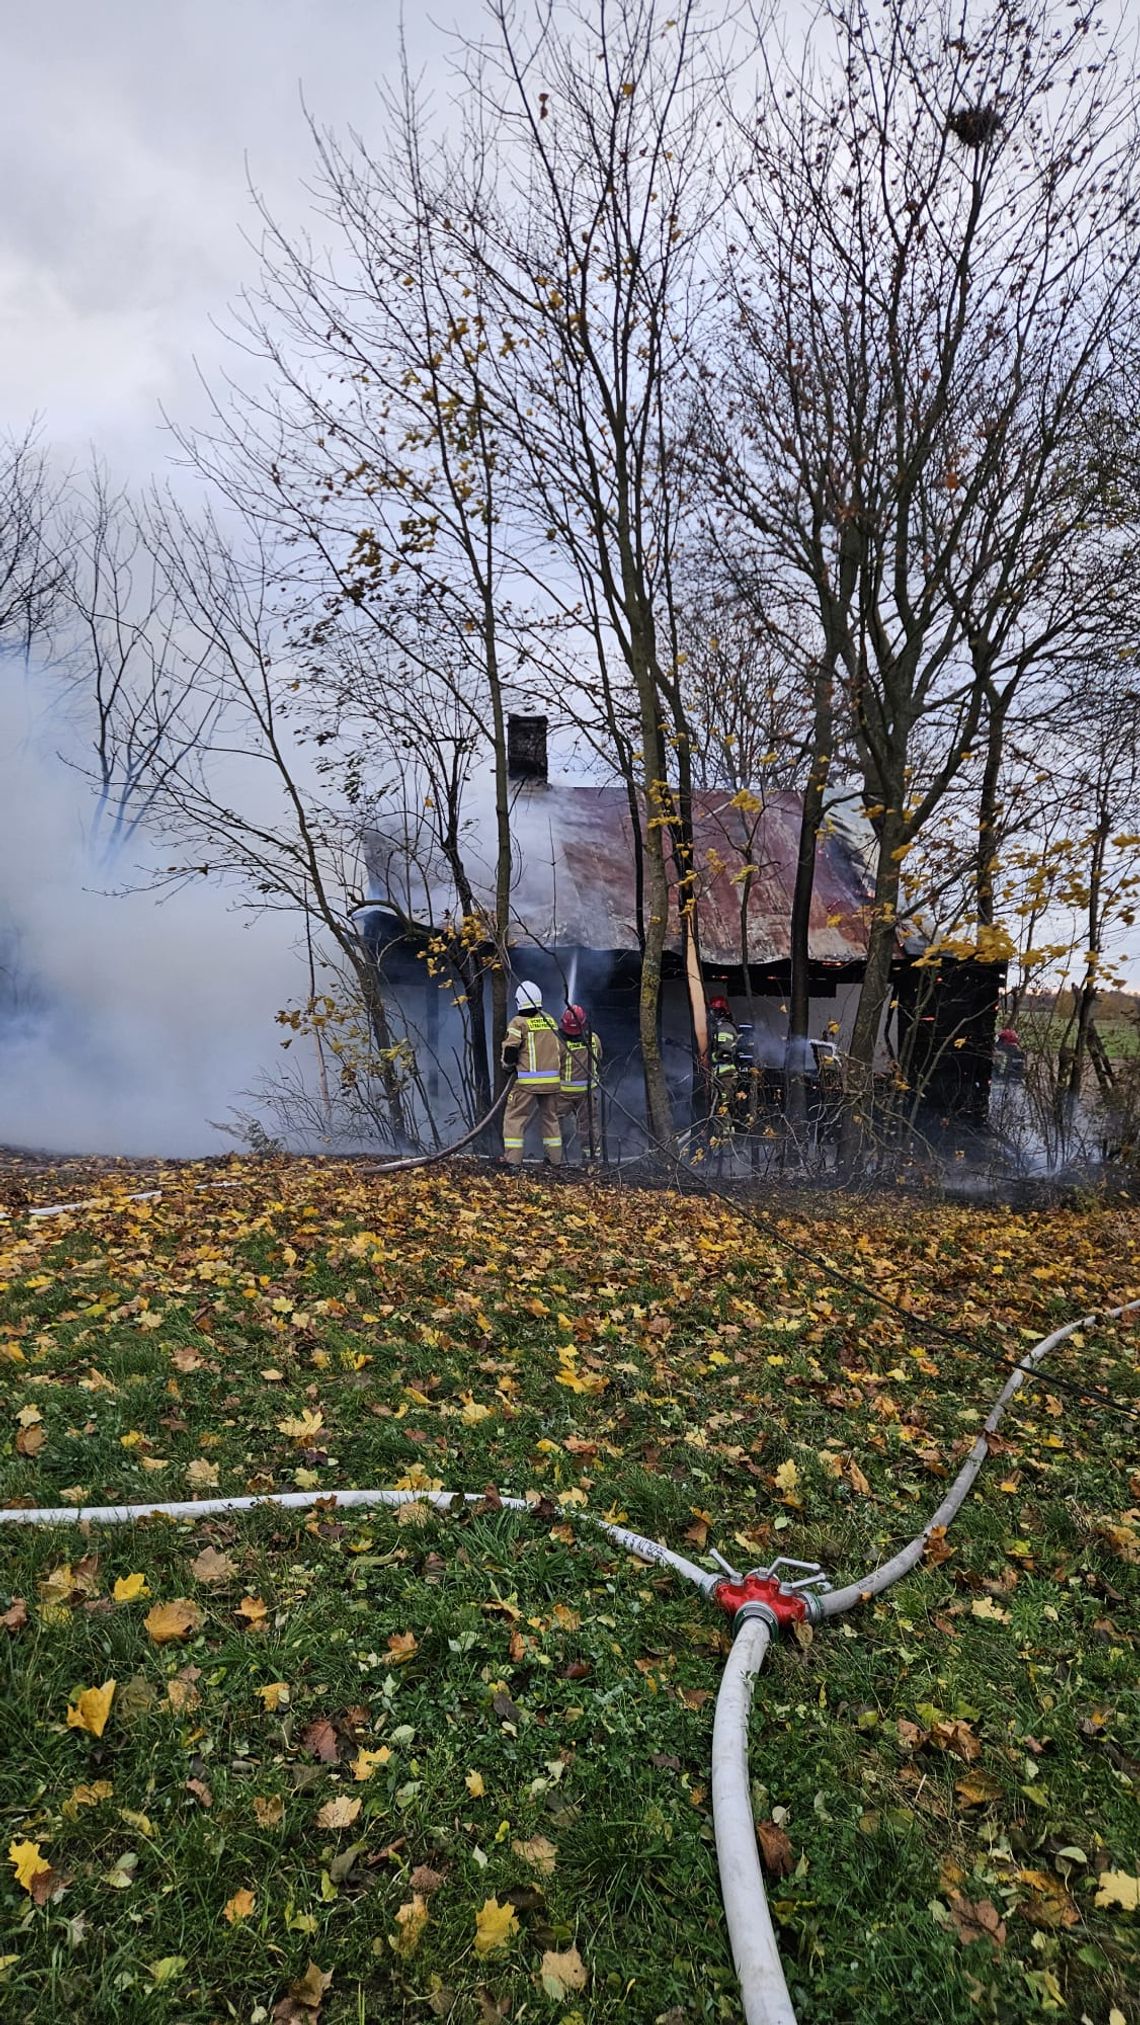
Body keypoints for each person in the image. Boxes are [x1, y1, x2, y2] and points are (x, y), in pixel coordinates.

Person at [501, 981, 564, 1168]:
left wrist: (508, 1067)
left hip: (527, 1082)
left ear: (519, 1002)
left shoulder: (518, 1023)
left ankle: (513, 1162)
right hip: (552, 1083)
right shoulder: (549, 1020)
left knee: (514, 1118)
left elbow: (510, 1051)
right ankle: (555, 1161)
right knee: (551, 1119)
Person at [558, 1004, 603, 1161]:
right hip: (587, 1092)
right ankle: (592, 1159)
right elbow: (599, 1057)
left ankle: (556, 1158)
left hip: (562, 1093)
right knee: (589, 1126)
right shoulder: (593, 1039)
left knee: (554, 1123)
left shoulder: (559, 1043)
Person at [708, 995, 740, 1127]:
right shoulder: (720, 1027)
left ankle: (725, 1140)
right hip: (721, 1075)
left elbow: (725, 1052)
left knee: (723, 1107)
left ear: (721, 1011)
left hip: (725, 1075)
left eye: (714, 1011)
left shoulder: (724, 1028)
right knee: (718, 1107)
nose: (712, 1014)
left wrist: (709, 1059)